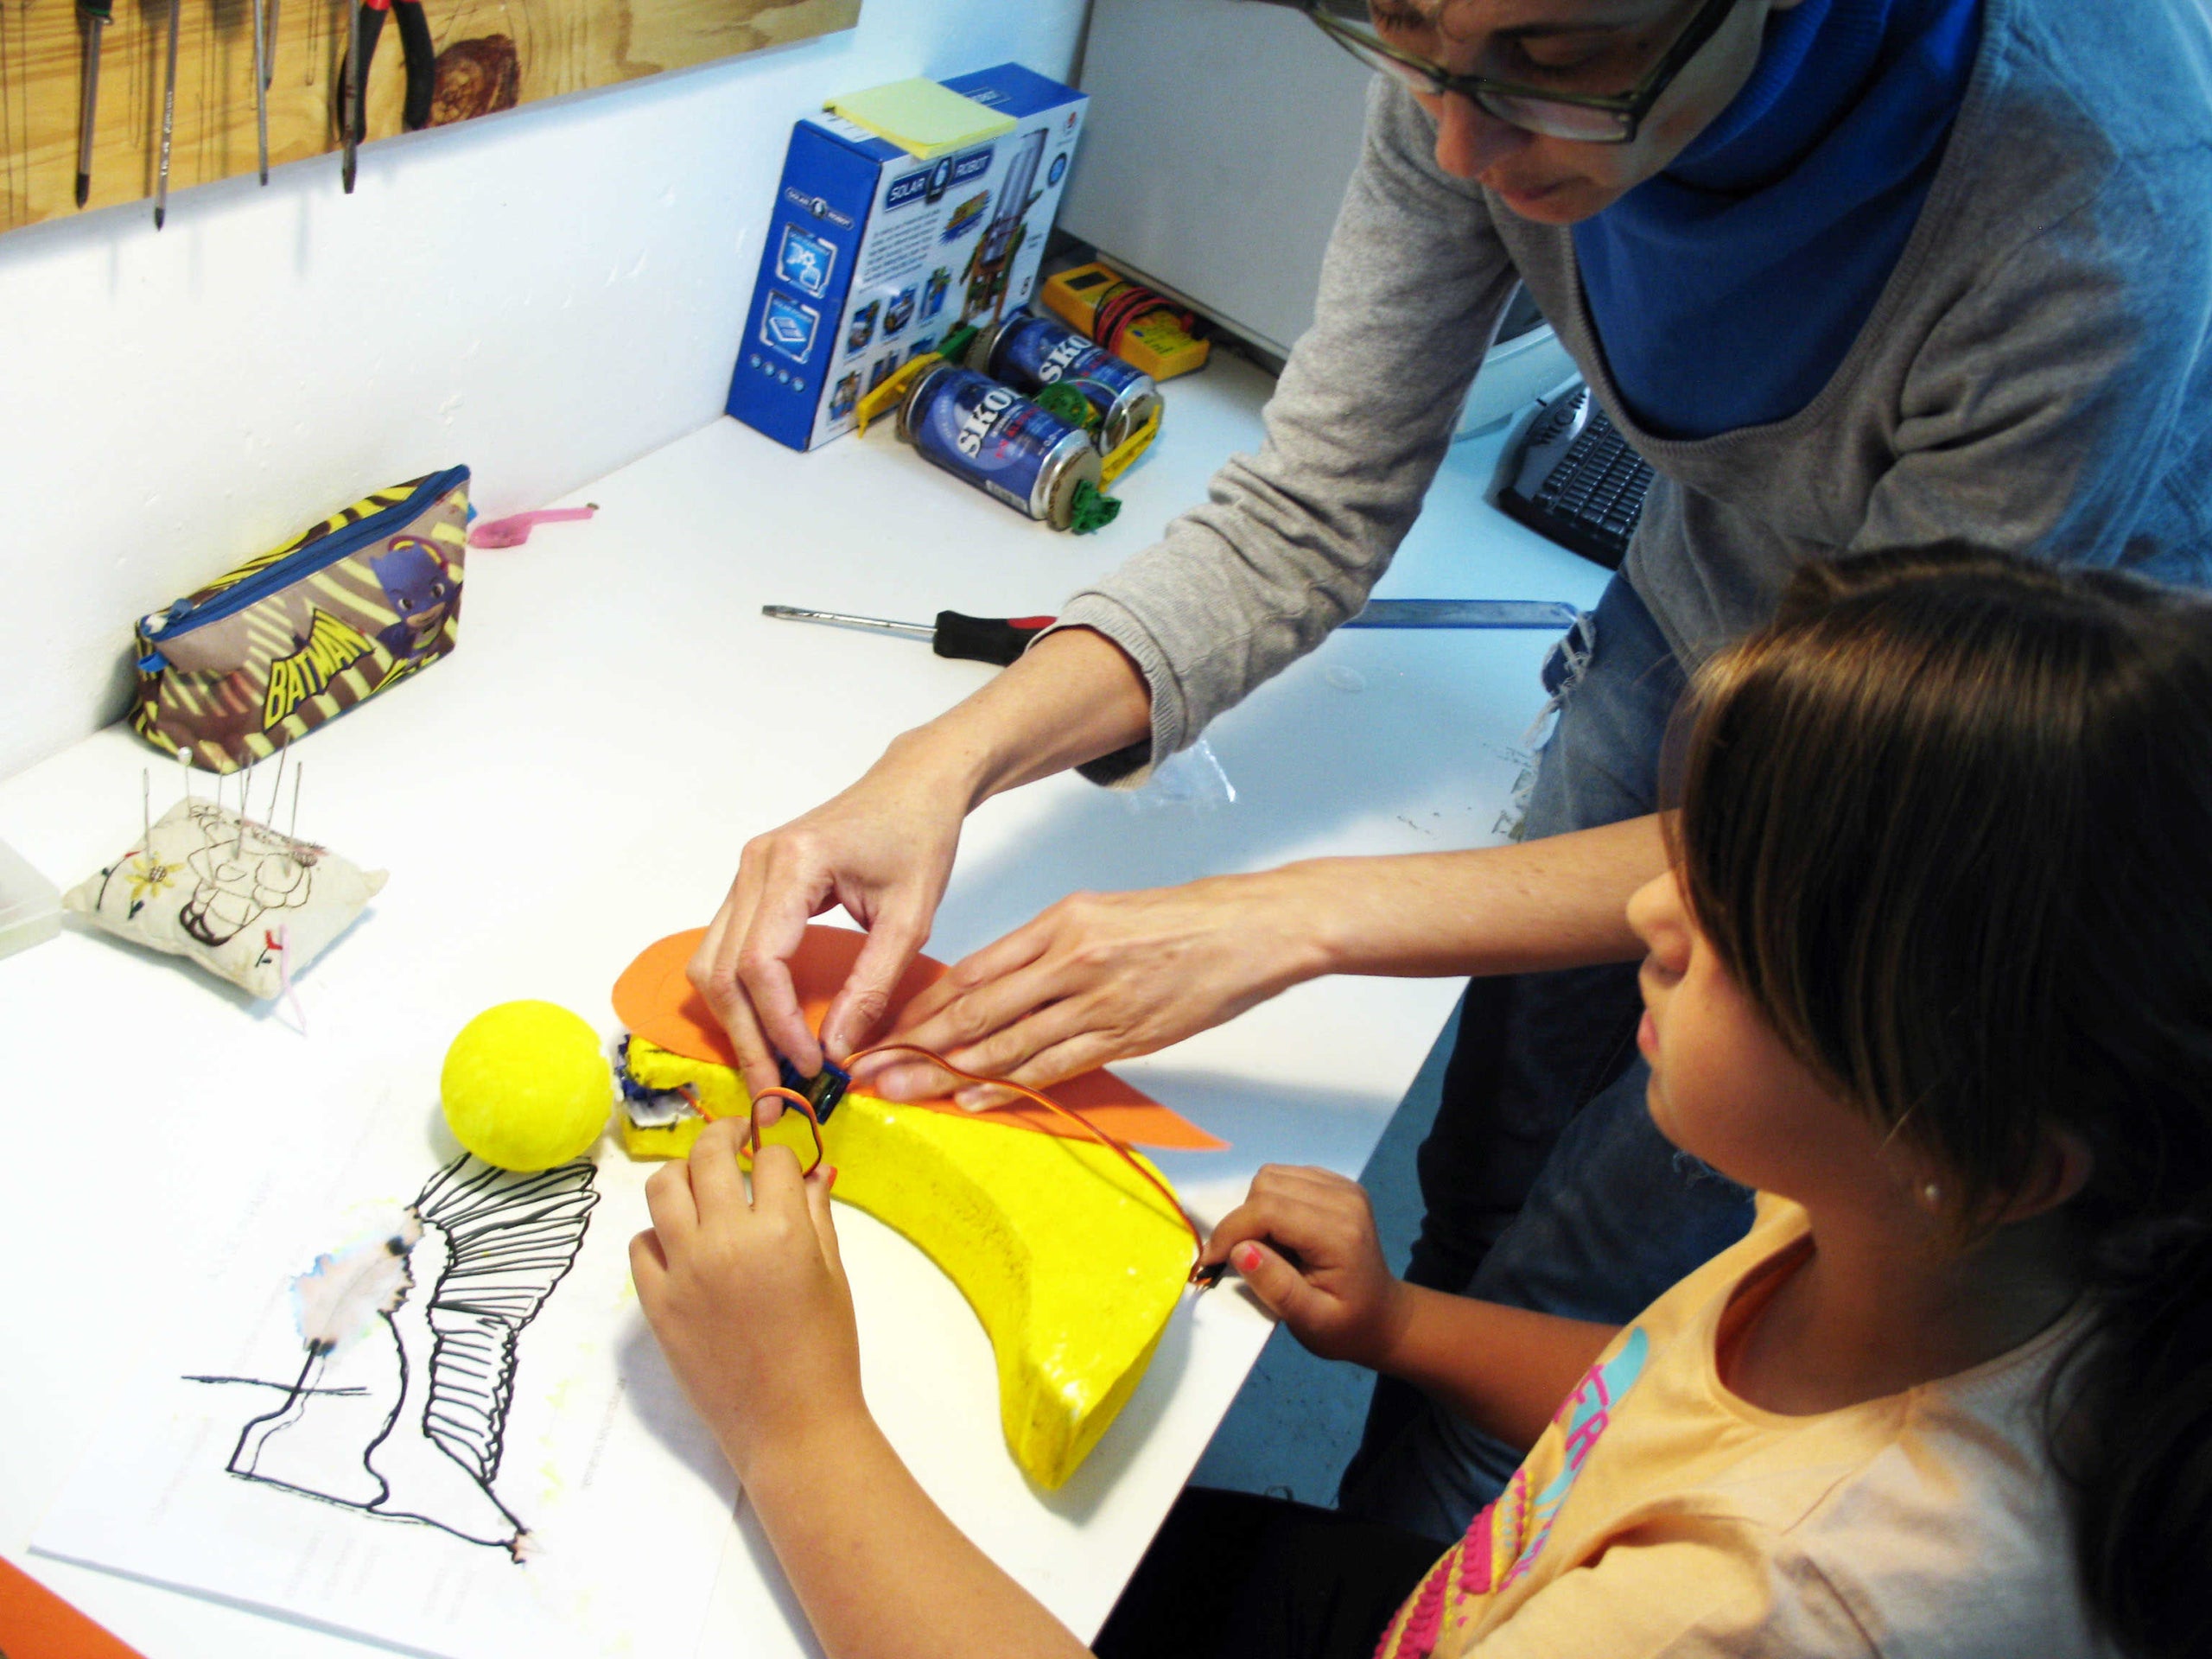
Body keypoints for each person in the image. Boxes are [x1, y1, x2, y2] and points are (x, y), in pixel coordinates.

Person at [689, 0, 2212, 1535]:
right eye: (1408, 39)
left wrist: (1294, 914)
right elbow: (1309, 506)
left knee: (1627, 1241)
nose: (1461, 143)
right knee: (1501, 1126)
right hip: (1711, 618)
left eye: (1556, 65)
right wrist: (941, 759)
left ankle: (1429, 1553)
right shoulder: (1471, 58)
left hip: (1997, 776)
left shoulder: (2097, 203)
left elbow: (1869, 820)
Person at [635, 549, 2212, 1659]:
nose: (1651, 917)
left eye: (1730, 920)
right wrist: (1405, 1331)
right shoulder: (1939, 1246)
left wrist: (798, 1425)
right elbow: (1677, 1409)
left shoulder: (1748, 1611)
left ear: (1987, 1148)